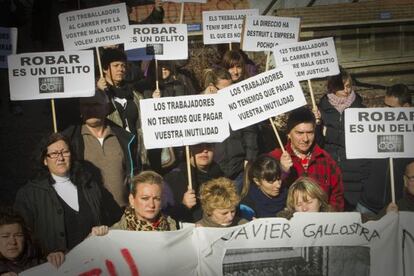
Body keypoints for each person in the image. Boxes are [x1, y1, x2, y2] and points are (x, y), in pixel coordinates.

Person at [14, 133, 121, 255]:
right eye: (54, 154)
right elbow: (23, 237)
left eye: (65, 152)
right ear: (44, 160)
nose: (60, 158)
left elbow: (112, 220)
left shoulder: (89, 185)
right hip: (57, 269)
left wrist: (103, 229)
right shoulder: (29, 195)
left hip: (96, 261)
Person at [63, 92, 137, 208]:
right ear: (80, 109)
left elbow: (135, 175)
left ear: (106, 108)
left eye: (96, 104)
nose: (90, 109)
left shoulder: (125, 139)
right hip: (89, 214)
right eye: (86, 105)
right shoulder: (70, 140)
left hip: (123, 214)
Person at [269, 107, 344, 211]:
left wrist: (329, 214)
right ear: (289, 134)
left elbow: (337, 195)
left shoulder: (325, 159)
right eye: (299, 133)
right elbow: (265, 196)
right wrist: (283, 172)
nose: (305, 139)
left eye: (310, 133)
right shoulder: (275, 157)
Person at [318, 67, 370, 210]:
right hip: (330, 171)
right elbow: (317, 143)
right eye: (342, 87)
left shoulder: (361, 110)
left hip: (355, 173)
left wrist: (330, 134)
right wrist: (317, 124)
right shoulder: (321, 109)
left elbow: (361, 141)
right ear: (332, 87)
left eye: (348, 86)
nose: (346, 90)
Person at [356, 84, 413, 214]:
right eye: (384, 105)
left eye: (391, 107)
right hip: (367, 205)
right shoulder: (374, 127)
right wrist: (366, 186)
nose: (385, 111)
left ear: (406, 108)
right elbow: (363, 160)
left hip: (397, 207)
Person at [97, 47, 149, 171]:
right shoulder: (97, 93)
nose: (121, 69)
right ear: (105, 68)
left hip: (136, 152)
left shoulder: (135, 94)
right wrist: (99, 92)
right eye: (116, 65)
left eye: (123, 65)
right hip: (114, 152)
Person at [91, 171, 177, 234]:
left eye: (156, 199)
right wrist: (94, 235)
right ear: (132, 200)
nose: (151, 204)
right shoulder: (116, 232)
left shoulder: (173, 228)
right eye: (145, 198)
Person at [164, 143, 224, 223]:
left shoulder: (222, 177)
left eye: (209, 146)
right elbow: (164, 214)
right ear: (188, 149)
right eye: (198, 146)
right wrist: (184, 206)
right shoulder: (174, 178)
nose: (205, 150)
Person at [0, 207, 65, 274]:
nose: (13, 242)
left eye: (18, 235)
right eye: (5, 236)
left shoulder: (38, 257)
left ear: (25, 237)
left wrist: (58, 256)